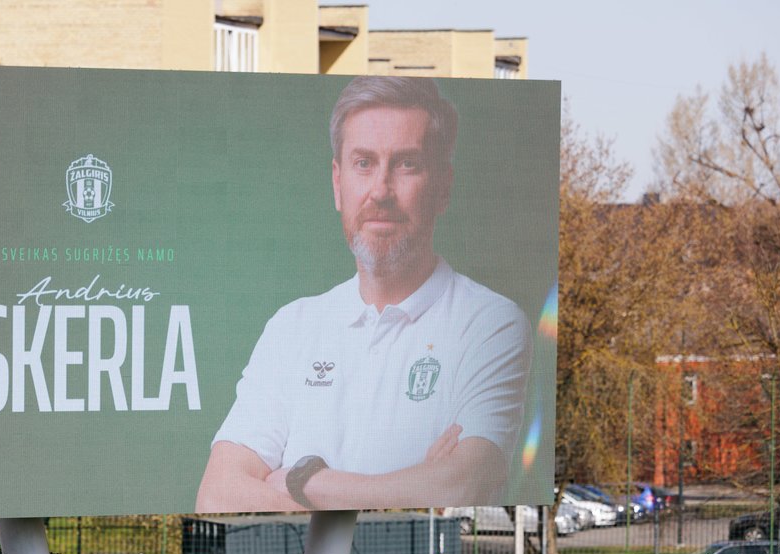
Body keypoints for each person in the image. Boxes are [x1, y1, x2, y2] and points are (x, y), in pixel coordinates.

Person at [196, 76, 530, 512]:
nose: (380, 191)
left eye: (406, 164)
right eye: (363, 164)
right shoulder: (292, 326)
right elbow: (216, 493)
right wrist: (408, 487)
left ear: (443, 186)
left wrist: (304, 482)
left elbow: (461, 485)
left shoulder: (490, 323)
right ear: (337, 183)